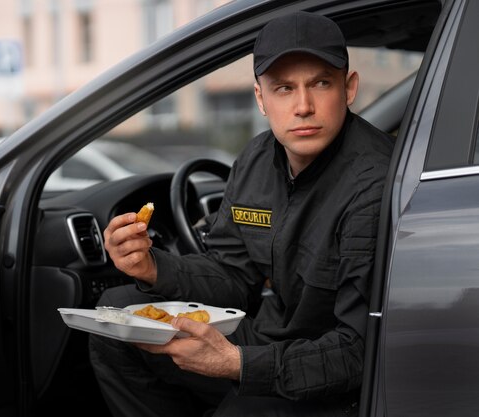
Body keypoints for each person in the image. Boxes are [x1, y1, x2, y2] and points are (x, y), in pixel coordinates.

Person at [89, 11, 394, 417]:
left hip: (329, 376)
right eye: (284, 88)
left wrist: (238, 364)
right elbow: (234, 276)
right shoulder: (255, 160)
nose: (303, 106)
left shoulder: (373, 183)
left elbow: (362, 350)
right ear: (260, 98)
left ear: (349, 87)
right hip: (266, 337)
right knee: (115, 318)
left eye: (320, 83)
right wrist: (151, 267)